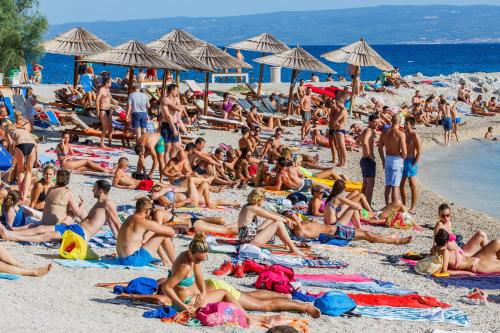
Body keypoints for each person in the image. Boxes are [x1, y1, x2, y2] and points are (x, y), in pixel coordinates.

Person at [1, 180, 122, 242]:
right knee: (42, 228)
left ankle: (13, 237)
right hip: (76, 228)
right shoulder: (100, 203)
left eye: (94, 188)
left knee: (47, 236)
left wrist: (121, 241)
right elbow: (110, 223)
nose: (92, 190)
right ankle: (10, 233)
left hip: (81, 234)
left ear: (100, 190)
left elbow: (116, 222)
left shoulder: (108, 203)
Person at [238, 189, 303, 255]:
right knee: (279, 224)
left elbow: (270, 214)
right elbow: (274, 217)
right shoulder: (254, 209)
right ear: (259, 199)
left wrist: (286, 218)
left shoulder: (247, 206)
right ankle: (293, 249)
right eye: (264, 199)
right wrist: (287, 221)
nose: (264, 201)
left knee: (270, 220)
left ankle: (287, 244)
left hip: (246, 238)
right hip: (249, 243)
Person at [116, 197, 175, 266]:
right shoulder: (143, 222)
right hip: (134, 260)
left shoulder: (129, 218)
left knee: (155, 233)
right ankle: (176, 263)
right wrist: (160, 225)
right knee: (163, 234)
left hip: (122, 260)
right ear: (147, 211)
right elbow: (172, 232)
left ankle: (166, 261)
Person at [432, 229, 500, 275]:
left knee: (497, 242)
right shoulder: (445, 252)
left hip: (475, 260)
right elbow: (444, 271)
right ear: (447, 242)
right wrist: (465, 272)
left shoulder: (434, 250)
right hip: (475, 266)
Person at [378, 114, 407, 204]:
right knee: (395, 187)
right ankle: (394, 210)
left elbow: (379, 148)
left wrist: (383, 160)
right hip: (397, 160)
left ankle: (387, 206)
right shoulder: (400, 134)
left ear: (392, 121)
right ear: (400, 122)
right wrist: (403, 159)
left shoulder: (384, 132)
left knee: (388, 185)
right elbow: (405, 152)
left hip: (388, 159)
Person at [7, 127, 38, 201]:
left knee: (21, 171)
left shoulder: (9, 132)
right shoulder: (26, 131)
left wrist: (12, 156)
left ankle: (21, 195)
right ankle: (25, 196)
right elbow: (36, 145)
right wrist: (37, 160)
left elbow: (11, 145)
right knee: (29, 172)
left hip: (20, 145)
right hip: (32, 145)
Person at [400, 117, 421, 214]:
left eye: (406, 124)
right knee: (401, 185)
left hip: (411, 161)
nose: (404, 125)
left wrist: (414, 163)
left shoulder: (415, 135)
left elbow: (419, 151)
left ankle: (413, 207)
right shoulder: (403, 133)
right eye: (404, 123)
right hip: (403, 161)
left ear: (412, 125)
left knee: (412, 185)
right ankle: (404, 205)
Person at [358, 114, 379, 205]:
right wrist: (370, 154)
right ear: (369, 122)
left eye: (378, 122)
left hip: (364, 159)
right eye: (375, 122)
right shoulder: (369, 131)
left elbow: (357, 140)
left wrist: (363, 148)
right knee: (370, 186)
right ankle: (368, 205)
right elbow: (365, 142)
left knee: (365, 185)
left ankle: (361, 203)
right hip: (367, 160)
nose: (376, 124)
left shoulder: (365, 130)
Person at [160, 84, 184, 159]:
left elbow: (180, 109)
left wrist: (170, 103)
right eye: (176, 91)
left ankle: (171, 164)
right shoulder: (164, 100)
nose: (177, 92)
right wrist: (173, 128)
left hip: (175, 124)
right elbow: (168, 116)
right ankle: (166, 166)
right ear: (172, 90)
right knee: (167, 147)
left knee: (175, 147)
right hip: (167, 125)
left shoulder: (176, 99)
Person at [329, 94, 348, 167]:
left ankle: (344, 163)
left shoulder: (343, 111)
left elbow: (335, 120)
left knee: (342, 147)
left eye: (337, 103)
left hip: (340, 129)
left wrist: (335, 123)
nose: (337, 104)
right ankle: (341, 162)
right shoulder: (341, 110)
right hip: (338, 129)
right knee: (340, 147)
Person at [96, 78, 116, 147]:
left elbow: (109, 98)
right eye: (110, 83)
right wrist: (98, 111)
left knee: (110, 127)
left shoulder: (108, 90)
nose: (111, 84)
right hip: (103, 109)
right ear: (106, 83)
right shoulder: (101, 89)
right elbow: (97, 100)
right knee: (105, 127)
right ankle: (102, 143)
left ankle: (110, 142)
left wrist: (114, 101)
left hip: (108, 109)